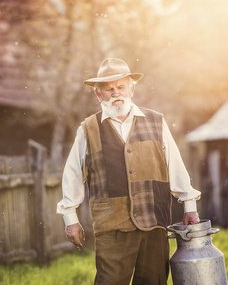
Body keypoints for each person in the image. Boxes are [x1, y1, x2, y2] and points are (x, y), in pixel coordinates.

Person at [57, 58, 201, 284]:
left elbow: (175, 165)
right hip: (111, 226)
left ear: (131, 89)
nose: (116, 93)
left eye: (121, 86)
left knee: (153, 281)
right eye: (109, 89)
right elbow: (73, 174)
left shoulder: (156, 121)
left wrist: (189, 205)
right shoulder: (88, 129)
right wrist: (70, 218)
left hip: (154, 222)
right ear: (99, 94)